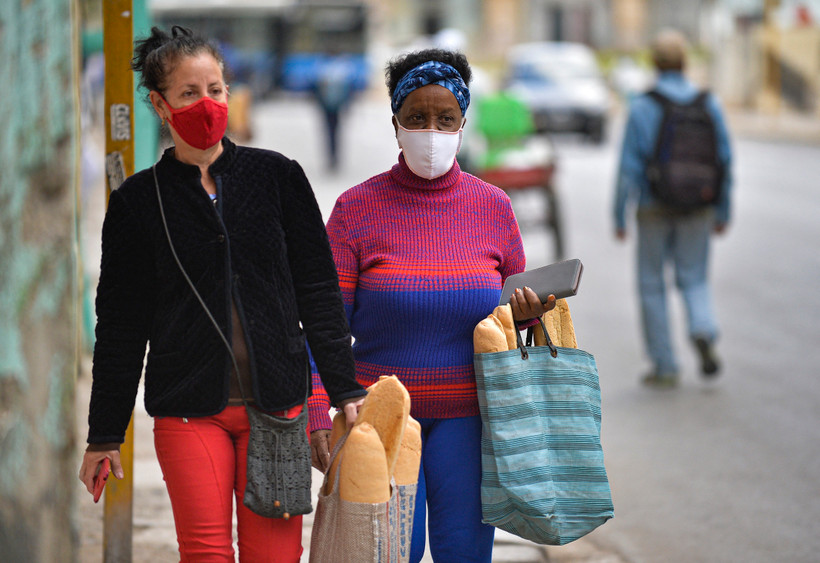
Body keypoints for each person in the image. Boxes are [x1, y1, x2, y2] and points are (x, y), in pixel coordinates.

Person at [78, 26, 366, 562]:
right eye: (189, 93)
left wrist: (344, 389)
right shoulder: (139, 202)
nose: (207, 104)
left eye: (215, 89)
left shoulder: (278, 177)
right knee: (206, 553)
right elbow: (119, 325)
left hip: (279, 408)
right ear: (160, 105)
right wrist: (104, 434)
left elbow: (318, 292)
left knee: (274, 557)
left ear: (229, 93)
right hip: (190, 412)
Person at [307, 48, 553, 562]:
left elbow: (506, 318)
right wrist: (315, 406)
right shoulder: (355, 209)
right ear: (395, 122)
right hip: (379, 422)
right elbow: (322, 324)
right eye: (417, 117)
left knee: (463, 551)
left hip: (470, 420)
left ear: (464, 122)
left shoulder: (494, 207)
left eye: (446, 118)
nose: (432, 131)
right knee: (390, 551)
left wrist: (528, 313)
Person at [613, 29, 733, 388]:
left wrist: (618, 215)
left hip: (653, 206)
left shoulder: (641, 105)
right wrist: (722, 210)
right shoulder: (708, 103)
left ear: (654, 63)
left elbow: (627, 169)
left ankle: (664, 366)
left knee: (652, 285)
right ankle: (703, 328)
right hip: (699, 206)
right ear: (684, 62)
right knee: (694, 277)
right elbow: (724, 160)